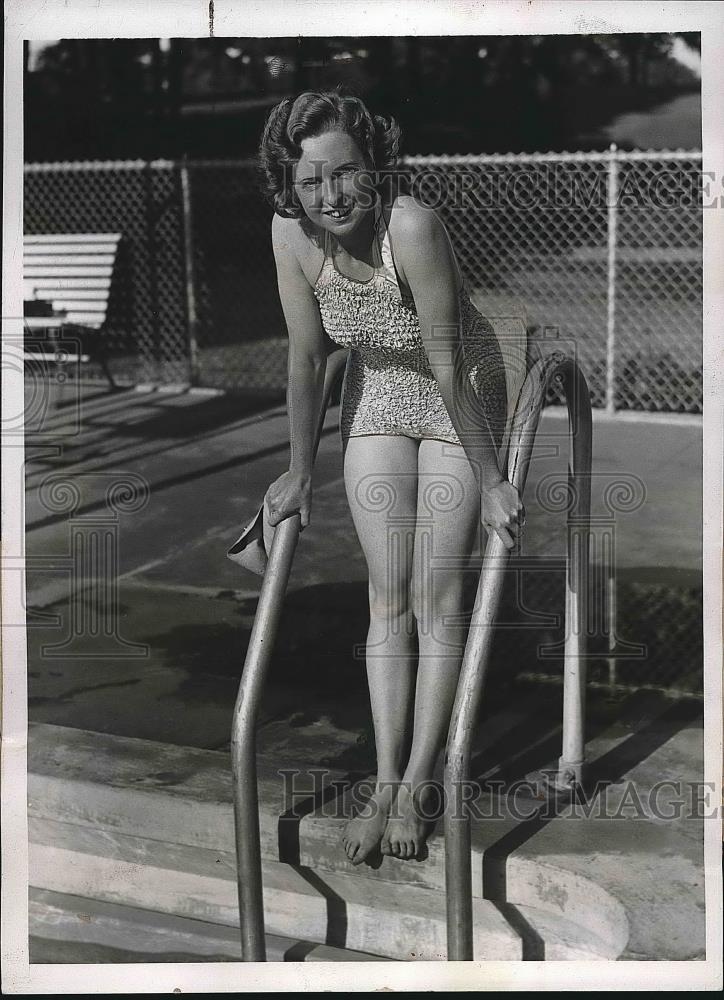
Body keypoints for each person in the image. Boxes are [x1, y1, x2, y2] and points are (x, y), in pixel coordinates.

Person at [257, 88, 523, 866]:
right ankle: (382, 780)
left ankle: (418, 784)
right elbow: (308, 358)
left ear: (374, 166)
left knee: (437, 595)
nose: (330, 197)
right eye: (311, 182)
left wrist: (492, 475)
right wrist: (300, 472)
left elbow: (445, 360)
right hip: (378, 388)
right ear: (289, 184)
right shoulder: (291, 235)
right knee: (387, 594)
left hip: (459, 390)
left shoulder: (413, 225)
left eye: (345, 174)